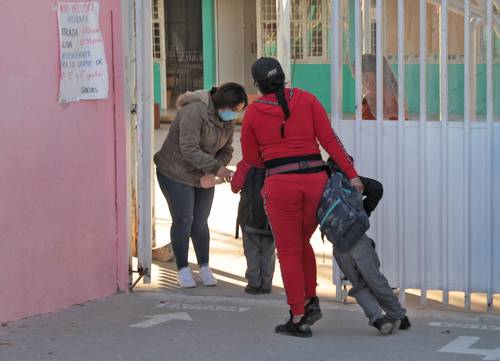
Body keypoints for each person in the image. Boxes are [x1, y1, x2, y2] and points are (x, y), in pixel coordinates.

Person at [240, 57, 364, 337]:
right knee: (301, 242)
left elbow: (251, 159)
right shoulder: (307, 99)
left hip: (281, 185)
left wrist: (275, 152)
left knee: (288, 251)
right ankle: (311, 300)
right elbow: (330, 140)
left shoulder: (254, 113)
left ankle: (298, 316)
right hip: (315, 182)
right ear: (283, 77)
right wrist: (352, 174)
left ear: (258, 85)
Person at [154, 83, 248, 288]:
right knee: (184, 219)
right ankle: (182, 269)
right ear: (223, 104)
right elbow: (188, 148)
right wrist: (218, 170)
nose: (235, 116)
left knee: (200, 221)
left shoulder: (227, 120)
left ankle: (204, 267)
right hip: (175, 172)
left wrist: (210, 172)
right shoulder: (194, 111)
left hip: (203, 173)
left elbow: (227, 150)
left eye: (238, 112)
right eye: (234, 110)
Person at [326, 158, 412, 335]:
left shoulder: (322, 185)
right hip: (358, 239)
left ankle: (378, 319)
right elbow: (377, 188)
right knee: (374, 278)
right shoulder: (354, 181)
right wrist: (365, 212)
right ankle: (398, 315)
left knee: (358, 284)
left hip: (339, 244)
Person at [231, 160, 275, 295]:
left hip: (249, 219)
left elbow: (235, 187)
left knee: (251, 252)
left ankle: (254, 283)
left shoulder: (245, 164)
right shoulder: (276, 164)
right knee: (268, 253)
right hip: (271, 220)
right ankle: (267, 284)